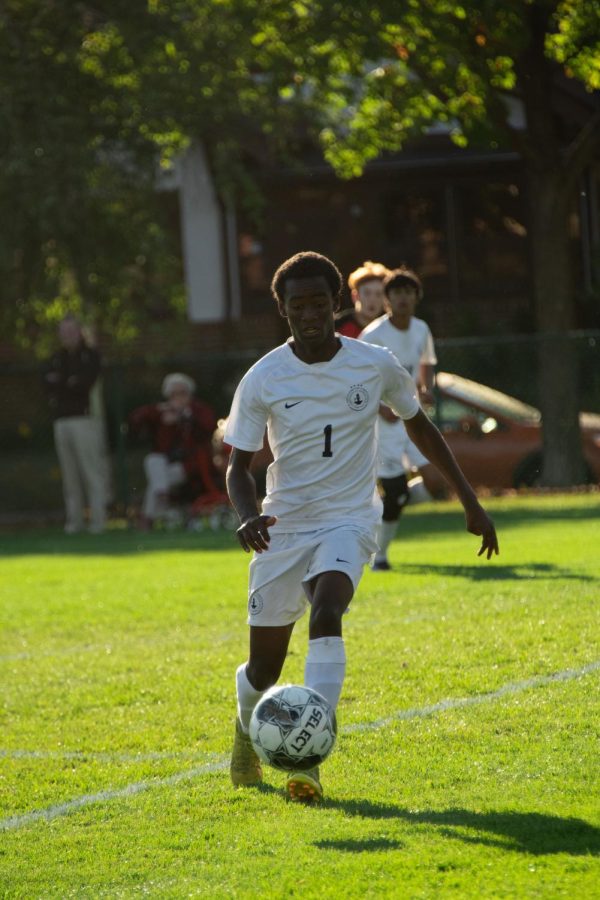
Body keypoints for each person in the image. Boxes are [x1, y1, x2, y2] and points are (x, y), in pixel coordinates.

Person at [224, 251, 498, 803]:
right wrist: (248, 515)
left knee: (328, 610)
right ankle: (245, 728)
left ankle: (309, 763)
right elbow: (237, 466)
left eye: (319, 303)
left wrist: (470, 500)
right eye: (297, 304)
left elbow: (420, 428)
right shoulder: (264, 377)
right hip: (283, 524)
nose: (309, 314)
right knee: (264, 666)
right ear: (282, 308)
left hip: (349, 517)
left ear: (337, 304)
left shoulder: (373, 364)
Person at [359, 265, 438, 570]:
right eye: (396, 293)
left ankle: (377, 511)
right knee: (396, 493)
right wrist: (381, 408)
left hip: (412, 419)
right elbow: (362, 377)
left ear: (416, 297)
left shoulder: (421, 329)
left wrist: (426, 388)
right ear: (387, 298)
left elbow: (426, 363)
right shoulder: (374, 335)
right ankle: (379, 556)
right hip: (384, 426)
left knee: (432, 482)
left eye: (408, 292)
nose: (403, 298)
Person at [43, 315, 108, 534]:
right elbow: (48, 385)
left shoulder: (90, 356)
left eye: (71, 331)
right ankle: (74, 522)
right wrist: (67, 382)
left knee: (91, 471)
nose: (67, 336)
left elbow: (83, 384)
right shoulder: (56, 358)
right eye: (63, 332)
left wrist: (64, 383)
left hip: (85, 420)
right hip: (61, 421)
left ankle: (98, 521)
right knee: (70, 476)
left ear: (79, 332)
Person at [128, 373, 219, 530]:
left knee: (157, 482)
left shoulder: (197, 411)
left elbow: (208, 427)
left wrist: (185, 416)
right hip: (165, 463)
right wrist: (159, 411)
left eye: (182, 393)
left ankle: (149, 516)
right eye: (174, 394)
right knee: (152, 461)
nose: (178, 398)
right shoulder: (162, 412)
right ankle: (161, 498)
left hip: (190, 465)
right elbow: (135, 420)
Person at [334, 260, 389, 338]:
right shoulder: (336, 326)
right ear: (355, 296)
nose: (372, 299)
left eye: (378, 294)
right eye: (367, 293)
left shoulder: (390, 330)